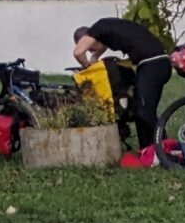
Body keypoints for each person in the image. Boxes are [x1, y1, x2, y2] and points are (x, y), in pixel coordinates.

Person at [71, 15, 174, 159]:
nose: (90, 51)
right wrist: (94, 59)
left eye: (90, 48)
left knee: (144, 111)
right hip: (157, 63)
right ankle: (147, 150)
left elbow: (78, 52)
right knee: (139, 110)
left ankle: (166, 149)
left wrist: (86, 67)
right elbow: (99, 50)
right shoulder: (106, 29)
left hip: (153, 64)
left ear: (86, 38)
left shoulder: (97, 29)